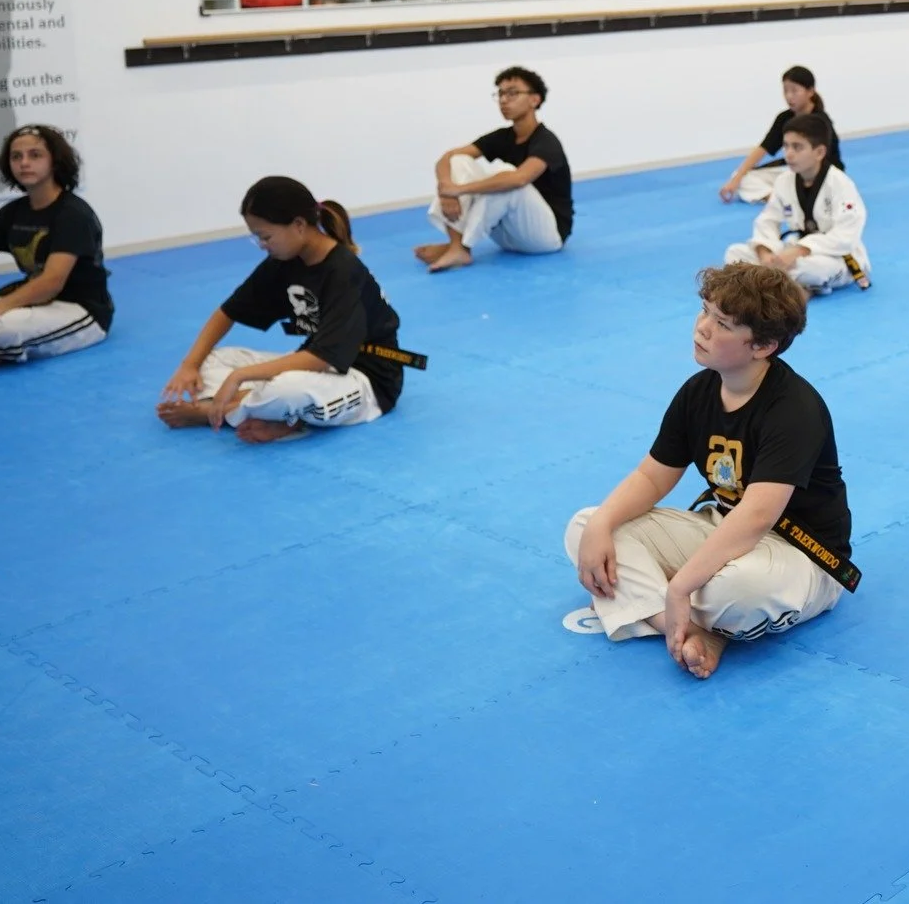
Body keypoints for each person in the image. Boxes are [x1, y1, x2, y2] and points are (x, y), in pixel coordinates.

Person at [564, 263, 856, 679]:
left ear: (763, 345)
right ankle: (688, 629)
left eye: (722, 323)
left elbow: (757, 516)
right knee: (587, 527)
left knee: (739, 591)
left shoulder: (795, 409)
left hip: (800, 554)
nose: (702, 328)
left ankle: (652, 603)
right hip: (722, 528)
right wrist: (603, 525)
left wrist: (681, 585)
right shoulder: (698, 391)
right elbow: (652, 477)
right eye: (704, 312)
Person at [156, 177, 408, 444]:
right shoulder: (284, 260)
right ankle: (258, 411)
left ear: (298, 225)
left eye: (266, 236)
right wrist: (189, 365)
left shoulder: (343, 272)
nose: (263, 245)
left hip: (364, 380)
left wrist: (240, 377)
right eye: (257, 238)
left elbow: (321, 358)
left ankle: (219, 411)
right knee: (213, 359)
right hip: (312, 363)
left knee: (287, 391)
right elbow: (228, 312)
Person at [0, 125, 113, 372]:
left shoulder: (73, 214)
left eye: (35, 155)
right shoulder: (12, 212)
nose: (24, 163)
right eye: (16, 156)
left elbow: (51, 282)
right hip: (34, 302)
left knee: (0, 328)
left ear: (55, 162)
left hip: (79, 309)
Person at [416, 65, 574, 272]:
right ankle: (456, 245)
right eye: (500, 94)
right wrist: (446, 188)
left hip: (545, 237)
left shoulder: (547, 142)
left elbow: (520, 179)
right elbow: (447, 158)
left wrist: (459, 190)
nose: (504, 100)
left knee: (508, 179)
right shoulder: (502, 137)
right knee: (459, 161)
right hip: (508, 237)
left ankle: (461, 247)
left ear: (534, 100)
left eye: (513, 93)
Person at [723, 112, 869, 297]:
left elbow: (846, 236)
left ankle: (775, 283)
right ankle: (784, 285)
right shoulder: (785, 180)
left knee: (814, 270)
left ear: (819, 152)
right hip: (791, 252)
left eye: (797, 147)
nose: (788, 154)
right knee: (734, 254)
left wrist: (801, 249)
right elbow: (767, 220)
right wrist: (764, 252)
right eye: (786, 146)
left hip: (834, 257)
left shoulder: (840, 184)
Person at [720, 66, 844, 204]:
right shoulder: (784, 118)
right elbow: (763, 148)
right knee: (742, 178)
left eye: (794, 91)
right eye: (785, 91)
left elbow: (821, 160)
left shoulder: (820, 120)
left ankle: (793, 197)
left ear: (810, 92)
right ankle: (780, 199)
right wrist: (735, 180)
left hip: (820, 172)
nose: (789, 96)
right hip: (795, 169)